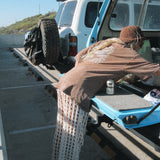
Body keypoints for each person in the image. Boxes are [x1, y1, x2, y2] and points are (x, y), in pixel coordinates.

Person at [52, 25, 160, 160]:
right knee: (72, 137)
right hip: (77, 90)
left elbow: (79, 56)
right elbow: (155, 70)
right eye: (141, 44)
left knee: (63, 132)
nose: (140, 47)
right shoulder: (129, 54)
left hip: (67, 82)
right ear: (135, 42)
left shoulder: (107, 44)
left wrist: (93, 73)